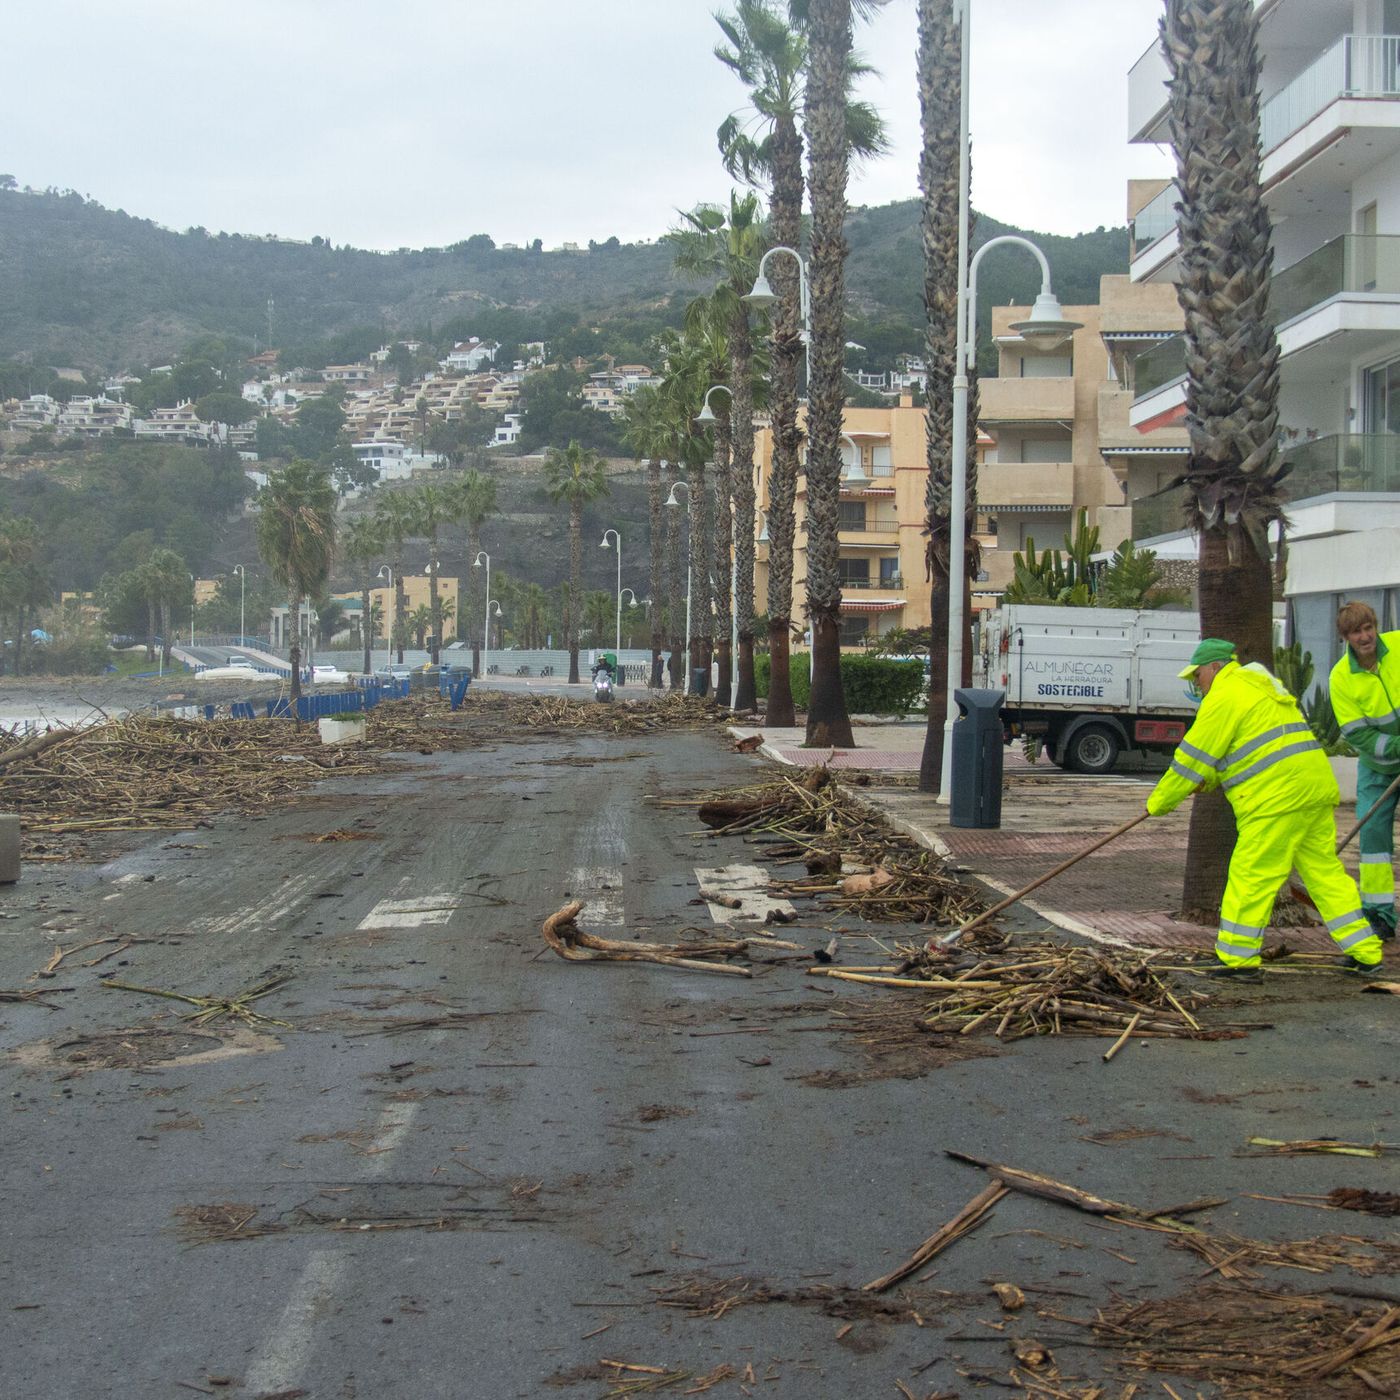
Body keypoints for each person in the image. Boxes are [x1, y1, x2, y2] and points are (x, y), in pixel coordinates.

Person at [1145, 638, 1384, 982]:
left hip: (1276, 800)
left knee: (1251, 876)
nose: (1196, 685)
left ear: (1215, 667)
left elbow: (1191, 761)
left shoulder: (1225, 696)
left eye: (1197, 677)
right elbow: (1244, 750)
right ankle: (1366, 952)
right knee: (1325, 875)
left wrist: (1158, 803)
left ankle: (1237, 959)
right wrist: (1209, 781)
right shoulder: (1262, 688)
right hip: (1312, 791)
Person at [1328, 601, 1400, 942]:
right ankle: (1379, 914)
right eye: (1357, 631)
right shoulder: (1341, 678)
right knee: (1372, 839)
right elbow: (1359, 734)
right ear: (1346, 637)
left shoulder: (1398, 646)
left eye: (1368, 627)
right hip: (1379, 769)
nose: (1365, 636)